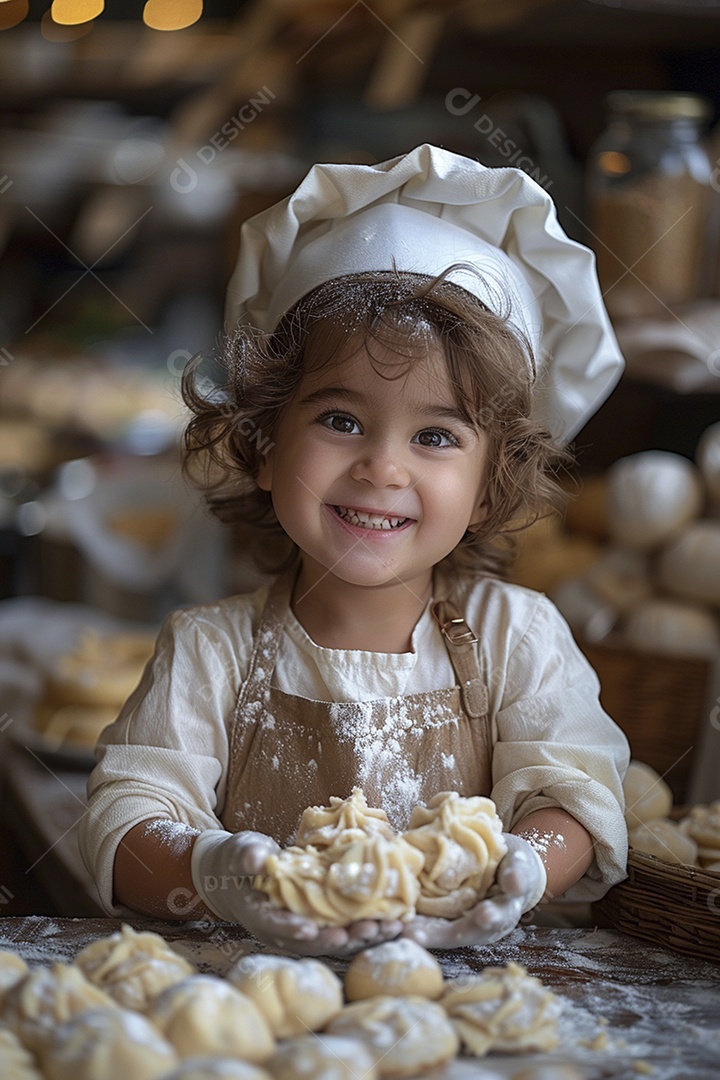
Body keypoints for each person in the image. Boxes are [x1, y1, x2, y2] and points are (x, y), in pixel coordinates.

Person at [80, 144, 629, 955]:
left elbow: (575, 796)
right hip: (259, 1024)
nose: (382, 466)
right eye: (341, 420)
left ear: (488, 490)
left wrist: (523, 867)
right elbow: (125, 825)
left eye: (436, 435)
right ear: (263, 445)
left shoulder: (520, 637)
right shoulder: (210, 651)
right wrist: (219, 872)